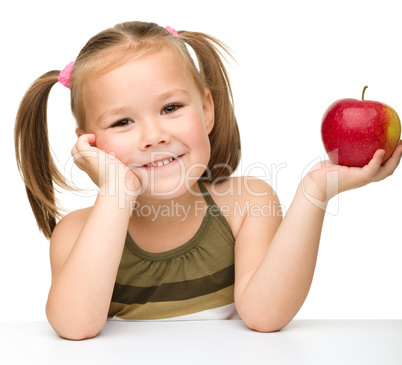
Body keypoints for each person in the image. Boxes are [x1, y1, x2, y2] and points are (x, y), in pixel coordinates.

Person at [14, 21, 402, 341]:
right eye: (122, 122)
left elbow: (266, 315)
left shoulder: (246, 204)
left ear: (206, 110)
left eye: (170, 108)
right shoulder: (78, 233)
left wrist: (316, 189)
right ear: (90, 143)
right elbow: (75, 326)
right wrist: (116, 192)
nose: (154, 136)